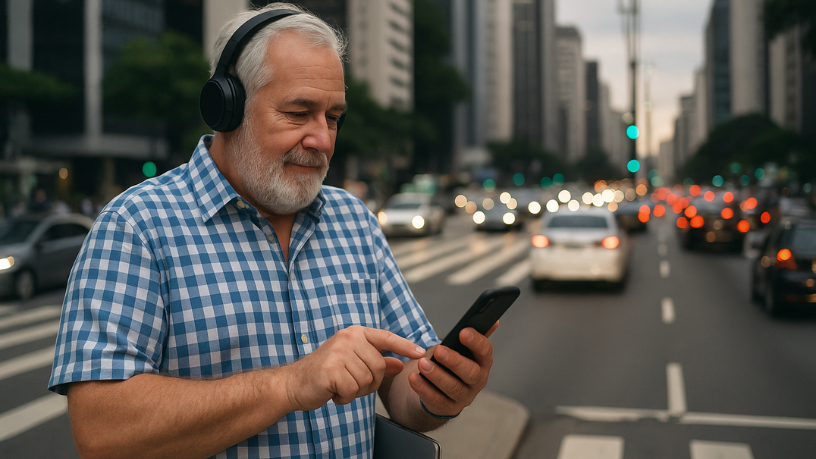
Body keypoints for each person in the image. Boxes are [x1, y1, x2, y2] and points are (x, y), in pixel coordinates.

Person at [48, 3, 498, 459]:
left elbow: (405, 391)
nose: (322, 139)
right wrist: (293, 383)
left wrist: (439, 395)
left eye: (333, 117)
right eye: (299, 113)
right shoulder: (136, 226)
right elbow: (101, 432)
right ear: (227, 107)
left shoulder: (354, 220)